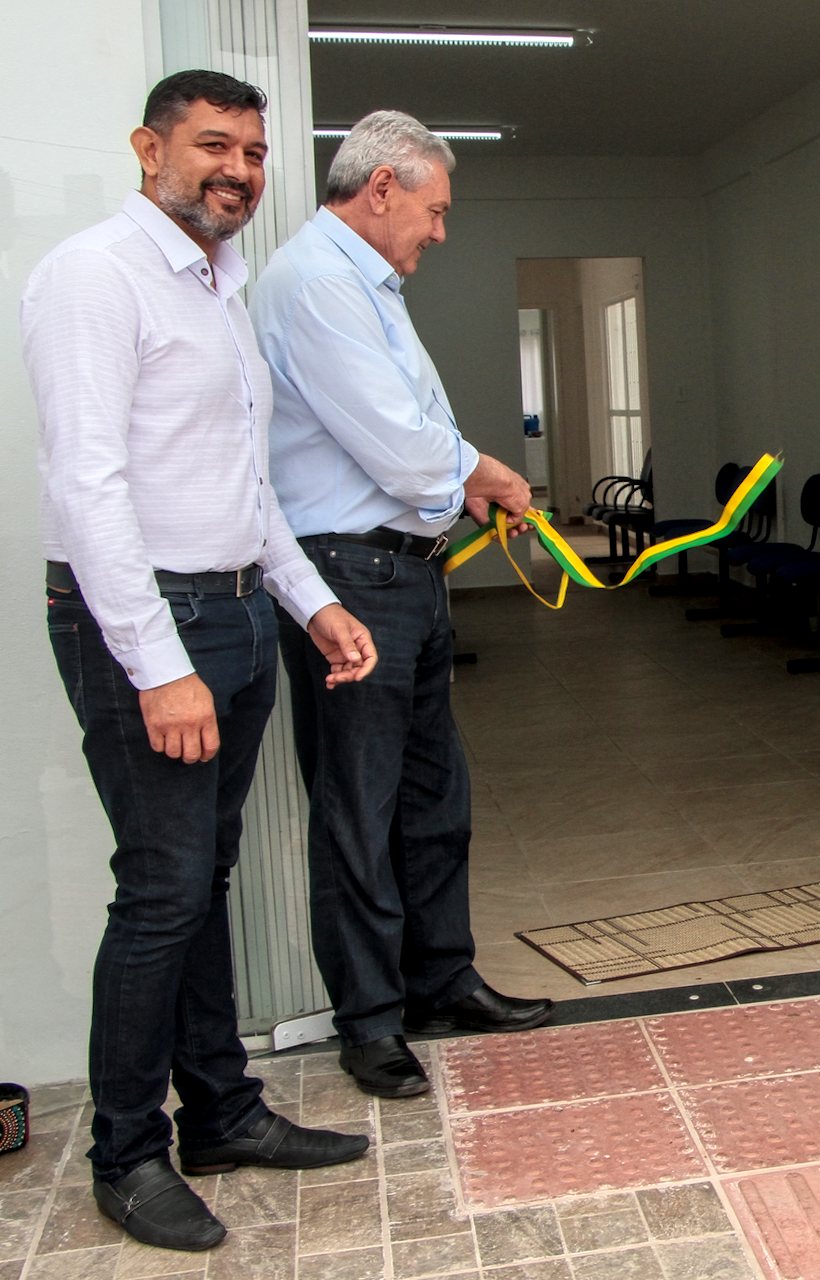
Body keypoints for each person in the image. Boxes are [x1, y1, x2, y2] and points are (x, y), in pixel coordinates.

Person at [22, 70, 379, 1252]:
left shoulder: (220, 288)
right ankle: (128, 1151)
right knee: (163, 891)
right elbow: (89, 486)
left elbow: (244, 489)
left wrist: (314, 602)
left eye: (254, 151)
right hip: (145, 622)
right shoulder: (95, 276)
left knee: (203, 880)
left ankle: (220, 1109)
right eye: (213, 144)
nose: (237, 168)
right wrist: (156, 662)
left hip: (231, 612)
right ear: (148, 147)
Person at [251, 110, 552, 1101]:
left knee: (432, 797)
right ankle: (371, 1020)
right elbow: (395, 439)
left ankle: (440, 980)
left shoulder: (365, 284)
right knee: (360, 806)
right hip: (348, 579)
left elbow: (414, 427)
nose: (440, 230)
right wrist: (483, 471)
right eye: (435, 209)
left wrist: (458, 483)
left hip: (407, 575)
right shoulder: (316, 282)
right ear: (381, 187)